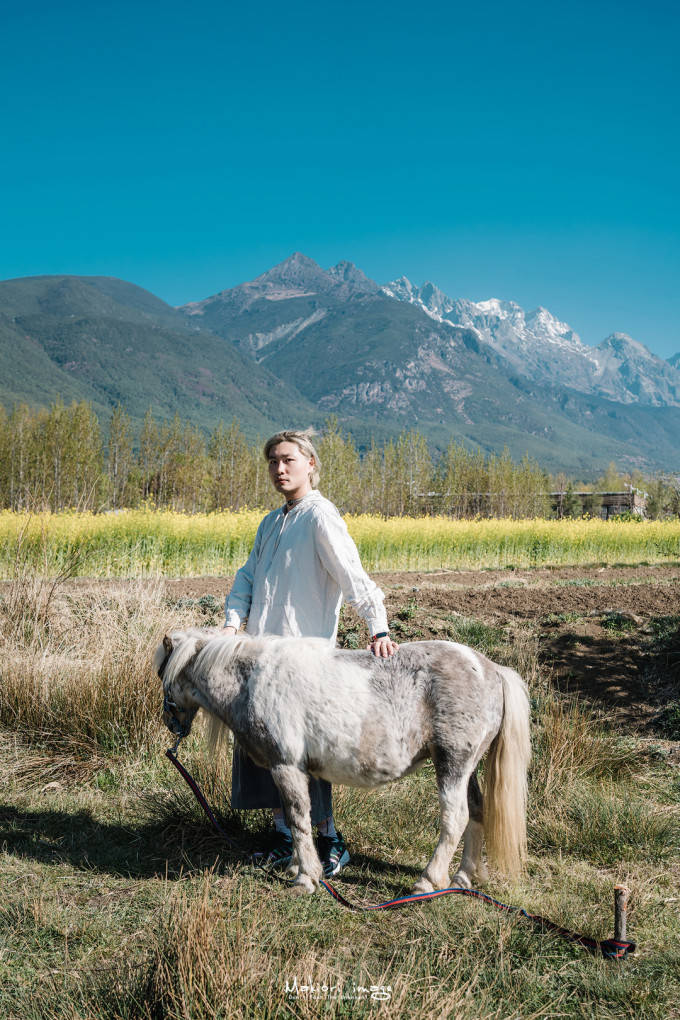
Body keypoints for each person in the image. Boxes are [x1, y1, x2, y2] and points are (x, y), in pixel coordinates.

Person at [223, 429, 398, 877]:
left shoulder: (320, 516)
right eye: (273, 462)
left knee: (305, 757)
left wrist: (377, 626)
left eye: (288, 460)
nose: (279, 469)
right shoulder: (271, 522)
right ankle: (284, 838)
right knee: (266, 752)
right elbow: (247, 577)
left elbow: (351, 574)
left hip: (304, 662)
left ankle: (330, 841)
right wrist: (231, 620)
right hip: (262, 659)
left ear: (311, 464)